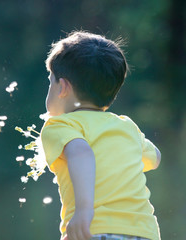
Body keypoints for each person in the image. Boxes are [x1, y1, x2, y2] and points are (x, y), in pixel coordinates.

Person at [40, 31, 161, 240]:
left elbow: (81, 152)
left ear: (63, 87)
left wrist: (84, 211)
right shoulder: (126, 126)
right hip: (145, 232)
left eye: (51, 82)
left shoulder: (59, 125)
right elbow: (155, 158)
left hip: (93, 231)